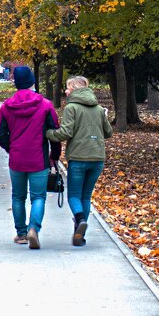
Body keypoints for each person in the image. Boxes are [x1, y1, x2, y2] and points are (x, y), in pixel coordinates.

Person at [0, 66, 60, 249]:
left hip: (16, 159)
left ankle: (21, 234)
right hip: (38, 159)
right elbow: (54, 133)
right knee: (38, 196)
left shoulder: (6, 106)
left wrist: (12, 147)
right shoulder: (46, 105)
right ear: (32, 82)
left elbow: (0, 135)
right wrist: (54, 156)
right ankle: (34, 229)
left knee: (18, 196)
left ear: (15, 83)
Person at [46, 76, 113, 246]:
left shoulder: (71, 108)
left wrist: (48, 133)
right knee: (86, 196)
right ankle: (80, 235)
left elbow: (66, 133)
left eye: (68, 88)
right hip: (97, 158)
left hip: (78, 157)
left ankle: (80, 219)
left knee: (74, 195)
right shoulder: (98, 109)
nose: (65, 91)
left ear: (75, 89)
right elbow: (108, 133)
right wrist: (104, 117)